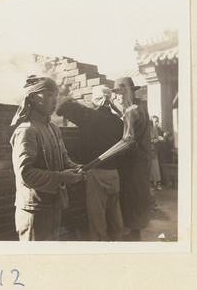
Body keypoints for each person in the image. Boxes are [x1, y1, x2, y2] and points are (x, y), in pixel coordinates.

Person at [10, 75, 85, 241]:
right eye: (50, 94)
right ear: (33, 98)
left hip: (53, 205)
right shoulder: (27, 130)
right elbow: (25, 174)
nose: (55, 100)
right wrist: (61, 177)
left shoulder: (53, 128)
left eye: (56, 95)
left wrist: (75, 168)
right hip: (33, 210)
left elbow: (63, 158)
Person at [56, 85, 126, 241]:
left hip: (97, 173)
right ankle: (119, 241)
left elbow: (61, 106)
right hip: (114, 173)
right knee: (115, 212)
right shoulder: (118, 121)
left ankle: (99, 244)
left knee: (97, 216)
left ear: (95, 100)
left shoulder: (90, 116)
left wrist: (69, 97)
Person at [111, 77, 151, 241]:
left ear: (130, 92)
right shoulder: (141, 108)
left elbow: (127, 140)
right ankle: (136, 232)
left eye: (121, 93)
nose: (119, 98)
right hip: (142, 162)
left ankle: (132, 236)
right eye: (117, 95)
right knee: (140, 196)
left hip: (132, 164)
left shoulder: (130, 112)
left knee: (131, 196)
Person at [149, 119, 162, 191]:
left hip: (153, 149)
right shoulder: (145, 129)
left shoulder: (154, 129)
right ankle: (151, 183)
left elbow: (157, 138)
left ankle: (158, 183)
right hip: (146, 150)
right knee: (149, 167)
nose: (150, 127)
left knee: (155, 166)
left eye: (151, 126)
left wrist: (152, 141)